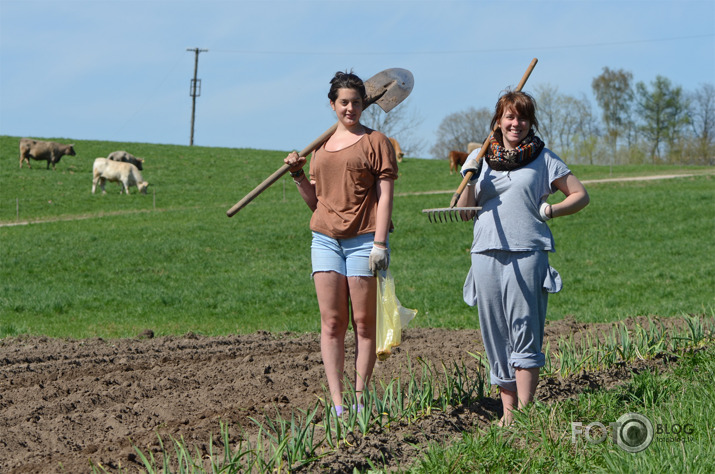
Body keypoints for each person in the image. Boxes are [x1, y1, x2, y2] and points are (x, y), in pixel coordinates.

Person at [457, 90, 590, 426]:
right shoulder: (481, 157)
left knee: (524, 329)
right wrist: (469, 174)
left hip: (528, 251)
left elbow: (581, 195)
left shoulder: (543, 158)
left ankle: (528, 415)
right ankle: (508, 414)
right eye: (510, 117)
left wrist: (552, 210)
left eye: (523, 117)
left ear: (530, 122)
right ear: (498, 121)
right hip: (485, 252)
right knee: (495, 332)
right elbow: (461, 213)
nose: (516, 123)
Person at [283, 71, 398, 415]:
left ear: (364, 105)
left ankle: (361, 400)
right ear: (332, 104)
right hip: (325, 240)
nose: (350, 108)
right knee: (332, 323)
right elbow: (315, 202)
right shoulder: (319, 147)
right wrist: (298, 174)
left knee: (364, 324)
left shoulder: (377, 142)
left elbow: (386, 194)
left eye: (356, 102)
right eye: (344, 102)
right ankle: (338, 404)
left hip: (364, 240)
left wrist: (380, 243)